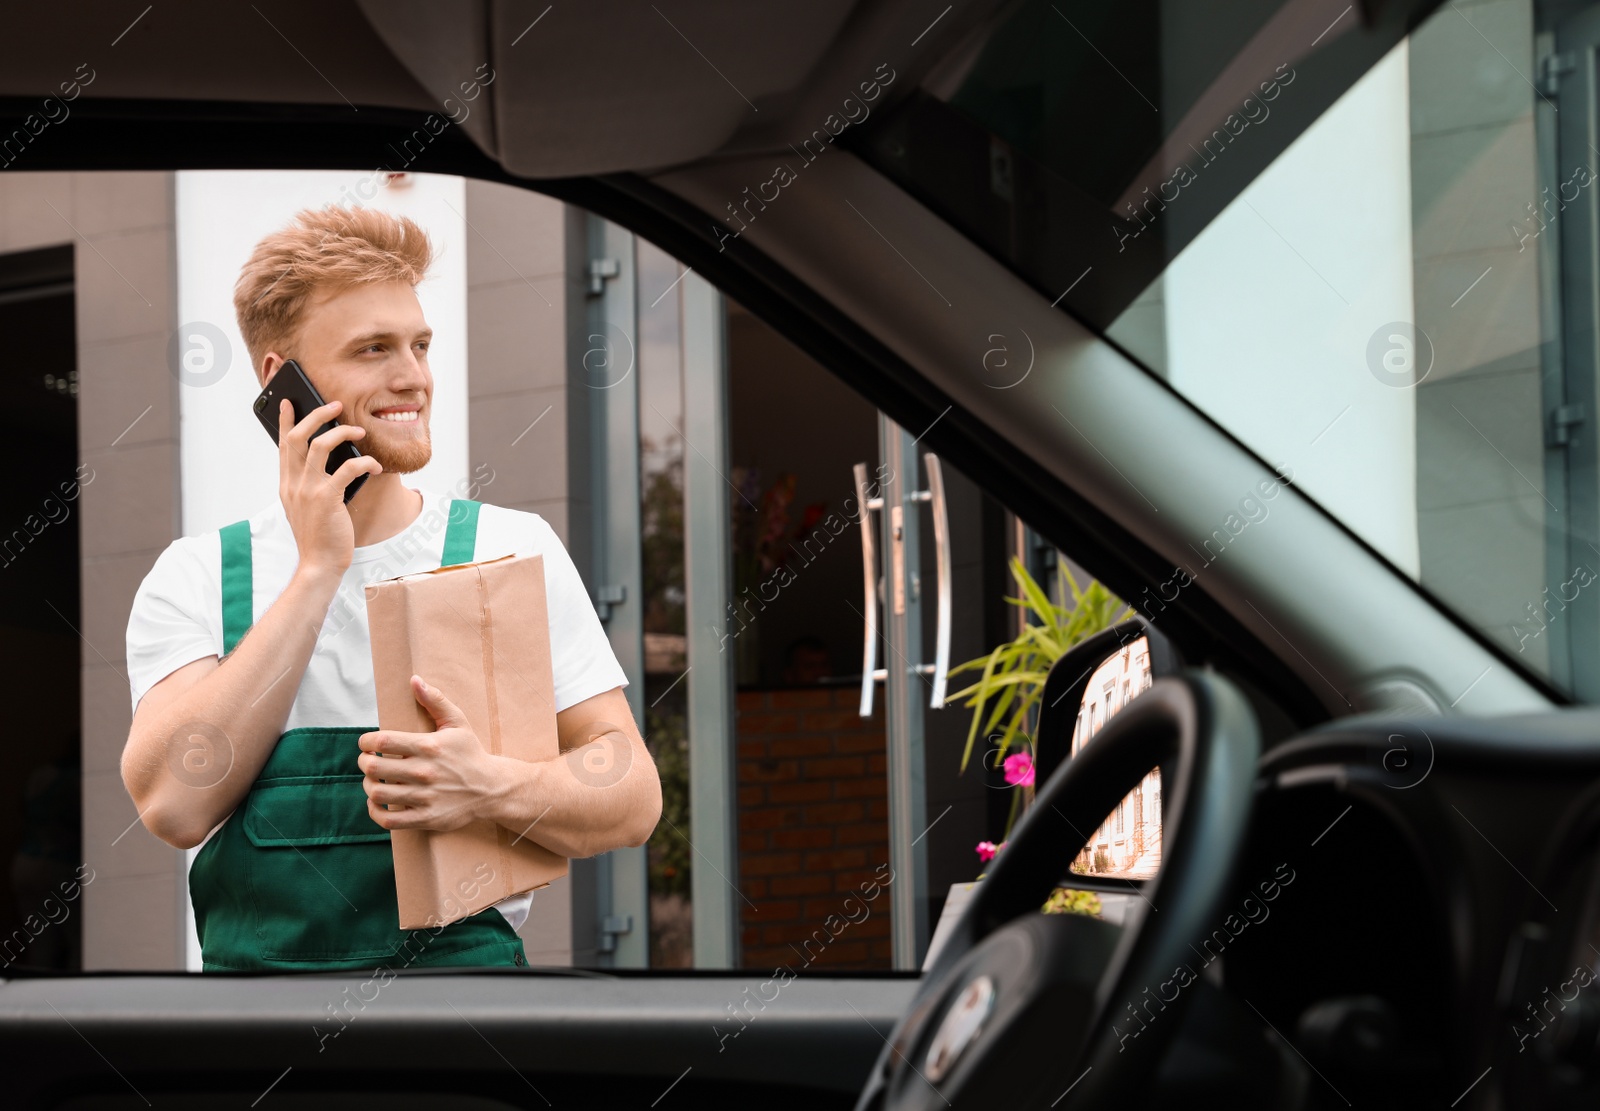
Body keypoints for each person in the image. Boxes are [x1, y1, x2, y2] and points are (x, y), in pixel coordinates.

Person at [120, 205, 661, 971]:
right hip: (254, 1041)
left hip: (463, 1024)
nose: (413, 376)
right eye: (374, 349)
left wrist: (490, 786)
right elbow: (174, 802)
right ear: (284, 382)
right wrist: (317, 572)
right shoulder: (199, 575)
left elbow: (631, 794)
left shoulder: (505, 549)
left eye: (419, 345)